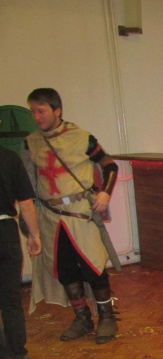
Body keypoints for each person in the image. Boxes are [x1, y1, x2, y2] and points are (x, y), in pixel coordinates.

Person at [24, 88, 120, 344]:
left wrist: (105, 193)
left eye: (41, 111)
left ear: (57, 110)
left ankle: (107, 318)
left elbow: (110, 165)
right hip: (50, 217)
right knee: (65, 270)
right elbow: (29, 180)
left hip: (80, 214)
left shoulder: (82, 138)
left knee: (93, 266)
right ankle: (82, 318)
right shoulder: (31, 142)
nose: (36, 117)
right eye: (33, 111)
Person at [0, 146, 42, 359]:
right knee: (11, 299)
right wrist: (34, 235)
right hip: (6, 231)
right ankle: (18, 356)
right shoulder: (8, 157)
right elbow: (26, 204)